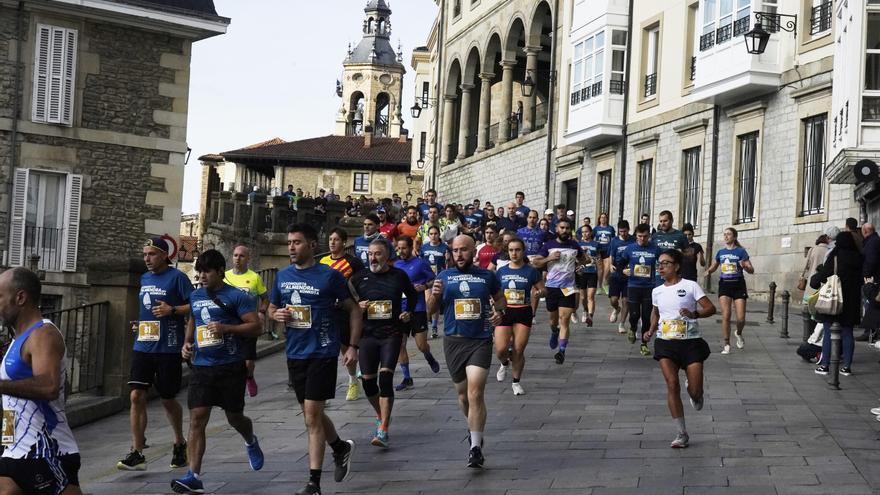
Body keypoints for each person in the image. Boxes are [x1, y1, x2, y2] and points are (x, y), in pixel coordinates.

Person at [269, 224, 359, 495]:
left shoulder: (329, 276)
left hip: (323, 351)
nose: (291, 247)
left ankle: (314, 483)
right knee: (313, 415)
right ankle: (340, 447)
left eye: (296, 242)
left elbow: (354, 309)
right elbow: (271, 307)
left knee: (311, 416)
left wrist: (352, 346)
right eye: (289, 242)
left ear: (311, 245)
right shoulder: (282, 276)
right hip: (295, 353)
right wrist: (275, 315)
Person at [172, 250, 265, 494]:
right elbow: (194, 319)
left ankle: (250, 439)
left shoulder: (237, 296)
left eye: (207, 272)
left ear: (220, 272)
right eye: (199, 272)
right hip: (202, 367)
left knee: (235, 418)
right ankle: (193, 476)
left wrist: (226, 328)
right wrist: (187, 343)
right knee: (197, 419)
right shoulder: (195, 296)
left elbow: (256, 327)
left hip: (230, 366)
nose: (202, 276)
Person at [0, 268, 81, 495]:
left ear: (20, 298)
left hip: (46, 451)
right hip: (16, 450)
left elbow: (49, 386)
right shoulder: (18, 339)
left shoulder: (43, 334)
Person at [427, 235, 505, 468]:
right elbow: (431, 311)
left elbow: (500, 300)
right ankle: (474, 429)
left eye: (464, 250)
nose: (459, 254)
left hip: (480, 341)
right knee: (463, 396)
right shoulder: (443, 276)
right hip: (454, 341)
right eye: (455, 250)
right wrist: (435, 295)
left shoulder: (487, 276)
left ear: (474, 251)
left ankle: (475, 448)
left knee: (475, 393)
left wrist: (499, 313)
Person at [118, 237, 191, 471]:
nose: (147, 259)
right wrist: (141, 324)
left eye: (151, 254)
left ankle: (179, 442)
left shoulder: (178, 278)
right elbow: (148, 309)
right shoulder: (144, 278)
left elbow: (195, 305)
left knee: (168, 399)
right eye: (144, 254)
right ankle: (137, 451)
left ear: (164, 255)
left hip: (168, 347)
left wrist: (173, 310)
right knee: (136, 395)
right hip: (143, 345)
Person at [643, 250, 716, 449]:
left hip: (691, 342)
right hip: (666, 342)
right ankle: (681, 433)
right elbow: (656, 313)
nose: (661, 267)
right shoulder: (657, 291)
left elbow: (711, 308)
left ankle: (694, 392)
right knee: (672, 384)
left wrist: (695, 314)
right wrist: (650, 330)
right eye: (659, 264)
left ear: (676, 266)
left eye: (665, 263)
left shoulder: (690, 286)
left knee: (696, 391)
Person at [349, 240, 417, 448]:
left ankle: (384, 429)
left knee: (386, 378)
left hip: (391, 334)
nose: (373, 258)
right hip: (368, 336)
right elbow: (347, 305)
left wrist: (408, 312)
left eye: (377, 254)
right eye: (370, 254)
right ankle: (381, 414)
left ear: (387, 256)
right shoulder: (358, 278)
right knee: (368, 382)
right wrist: (357, 306)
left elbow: (412, 295)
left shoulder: (398, 276)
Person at [319, 228, 366, 401]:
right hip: (327, 310)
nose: (332, 242)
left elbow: (362, 284)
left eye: (336, 239)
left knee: (346, 347)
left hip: (346, 311)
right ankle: (322, 391)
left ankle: (353, 380)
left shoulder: (353, 262)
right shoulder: (323, 261)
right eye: (330, 239)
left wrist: (361, 301)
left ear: (344, 242)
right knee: (326, 349)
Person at [532, 219, 587, 365]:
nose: (564, 230)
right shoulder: (549, 245)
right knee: (553, 321)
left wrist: (580, 266)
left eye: (567, 228)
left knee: (564, 319)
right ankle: (554, 331)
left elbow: (584, 259)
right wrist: (549, 258)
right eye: (562, 228)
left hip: (568, 288)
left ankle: (561, 351)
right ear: (557, 229)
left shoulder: (574, 245)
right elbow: (535, 262)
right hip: (552, 287)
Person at [494, 238, 544, 395]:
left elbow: (543, 289)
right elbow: (494, 292)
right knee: (500, 349)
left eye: (517, 250)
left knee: (518, 349)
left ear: (523, 251)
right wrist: (494, 306)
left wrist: (540, 292)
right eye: (511, 250)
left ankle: (516, 382)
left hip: (523, 311)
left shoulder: (531, 271)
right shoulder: (501, 271)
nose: (514, 253)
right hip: (505, 312)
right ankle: (504, 363)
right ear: (507, 252)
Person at [812, 231, 864, 376]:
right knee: (847, 333)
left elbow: (824, 275)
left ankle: (825, 365)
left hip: (834, 300)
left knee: (829, 331)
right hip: (852, 302)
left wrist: (815, 280)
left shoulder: (835, 257)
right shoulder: (859, 258)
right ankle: (846, 367)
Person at [393, 236, 441, 391]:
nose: (401, 251)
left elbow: (434, 279)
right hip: (400, 309)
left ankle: (428, 356)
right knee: (400, 344)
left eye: (404, 248)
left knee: (421, 345)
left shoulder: (420, 263)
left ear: (410, 247)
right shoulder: (395, 265)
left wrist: (424, 286)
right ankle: (407, 378)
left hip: (417, 308)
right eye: (399, 248)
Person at [224, 245, 269, 398]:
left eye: (242, 256)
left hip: (249, 324)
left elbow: (265, 299)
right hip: (230, 324)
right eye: (235, 255)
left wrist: (261, 312)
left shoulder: (255, 277)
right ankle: (232, 386)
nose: (238, 259)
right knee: (231, 358)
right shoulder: (224, 277)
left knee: (248, 362)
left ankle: (249, 376)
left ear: (248, 258)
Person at [705, 227, 754, 355]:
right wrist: (709, 271)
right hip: (725, 285)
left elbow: (751, 269)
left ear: (734, 237)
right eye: (724, 234)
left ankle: (738, 332)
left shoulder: (741, 251)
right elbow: (715, 265)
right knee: (726, 315)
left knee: (741, 318)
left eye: (729, 234)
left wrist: (745, 267)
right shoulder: (721, 252)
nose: (726, 236)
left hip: (738, 285)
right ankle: (726, 343)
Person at [620, 223, 659, 357]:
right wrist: (623, 270)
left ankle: (644, 344)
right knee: (634, 314)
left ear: (649, 236)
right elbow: (620, 264)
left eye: (645, 236)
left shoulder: (655, 248)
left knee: (646, 317)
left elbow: (664, 261)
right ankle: (632, 327)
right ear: (636, 236)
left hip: (649, 287)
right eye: (640, 236)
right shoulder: (630, 248)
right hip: (633, 286)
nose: (642, 239)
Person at [800, 232, 830, 342]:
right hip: (823, 284)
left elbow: (806, 266)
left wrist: (803, 276)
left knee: (808, 310)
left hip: (811, 284)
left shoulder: (812, 250)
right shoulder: (829, 251)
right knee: (820, 311)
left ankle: (807, 337)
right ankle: (817, 337)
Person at [421, 225, 449, 338]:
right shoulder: (424, 247)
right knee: (428, 301)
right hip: (427, 278)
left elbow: (447, 264)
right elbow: (421, 262)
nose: (433, 236)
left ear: (439, 234)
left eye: (435, 233)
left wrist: (447, 259)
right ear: (428, 235)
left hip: (439, 278)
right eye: (431, 234)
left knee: (435, 301)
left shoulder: (444, 247)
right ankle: (426, 324)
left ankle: (434, 326)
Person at [608, 220, 635, 334]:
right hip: (617, 272)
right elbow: (611, 255)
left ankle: (622, 323)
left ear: (628, 230)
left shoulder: (633, 240)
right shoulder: (614, 241)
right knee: (613, 299)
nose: (623, 234)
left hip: (629, 274)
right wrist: (610, 265)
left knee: (626, 300)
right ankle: (616, 309)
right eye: (621, 232)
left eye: (625, 231)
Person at [858, 223, 880, 341]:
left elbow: (870, 261)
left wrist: (866, 276)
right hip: (874, 278)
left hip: (872, 279)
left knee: (870, 305)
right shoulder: (875, 240)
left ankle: (870, 332)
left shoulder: (871, 242)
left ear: (865, 231)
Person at [576, 225, 599, 327]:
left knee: (591, 296)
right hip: (582, 273)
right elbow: (576, 259)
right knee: (583, 297)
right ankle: (585, 310)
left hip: (592, 272)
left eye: (586, 231)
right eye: (583, 232)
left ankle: (590, 317)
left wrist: (595, 260)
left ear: (590, 232)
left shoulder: (596, 244)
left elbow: (599, 258)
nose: (585, 234)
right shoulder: (578, 244)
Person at [593, 213, 615, 294]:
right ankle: (599, 286)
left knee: (607, 267)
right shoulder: (596, 228)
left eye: (605, 217)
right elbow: (592, 238)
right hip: (598, 250)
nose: (603, 219)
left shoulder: (610, 228)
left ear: (607, 219)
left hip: (607, 250)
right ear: (599, 219)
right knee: (600, 269)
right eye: (601, 217)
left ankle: (605, 283)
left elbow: (613, 239)